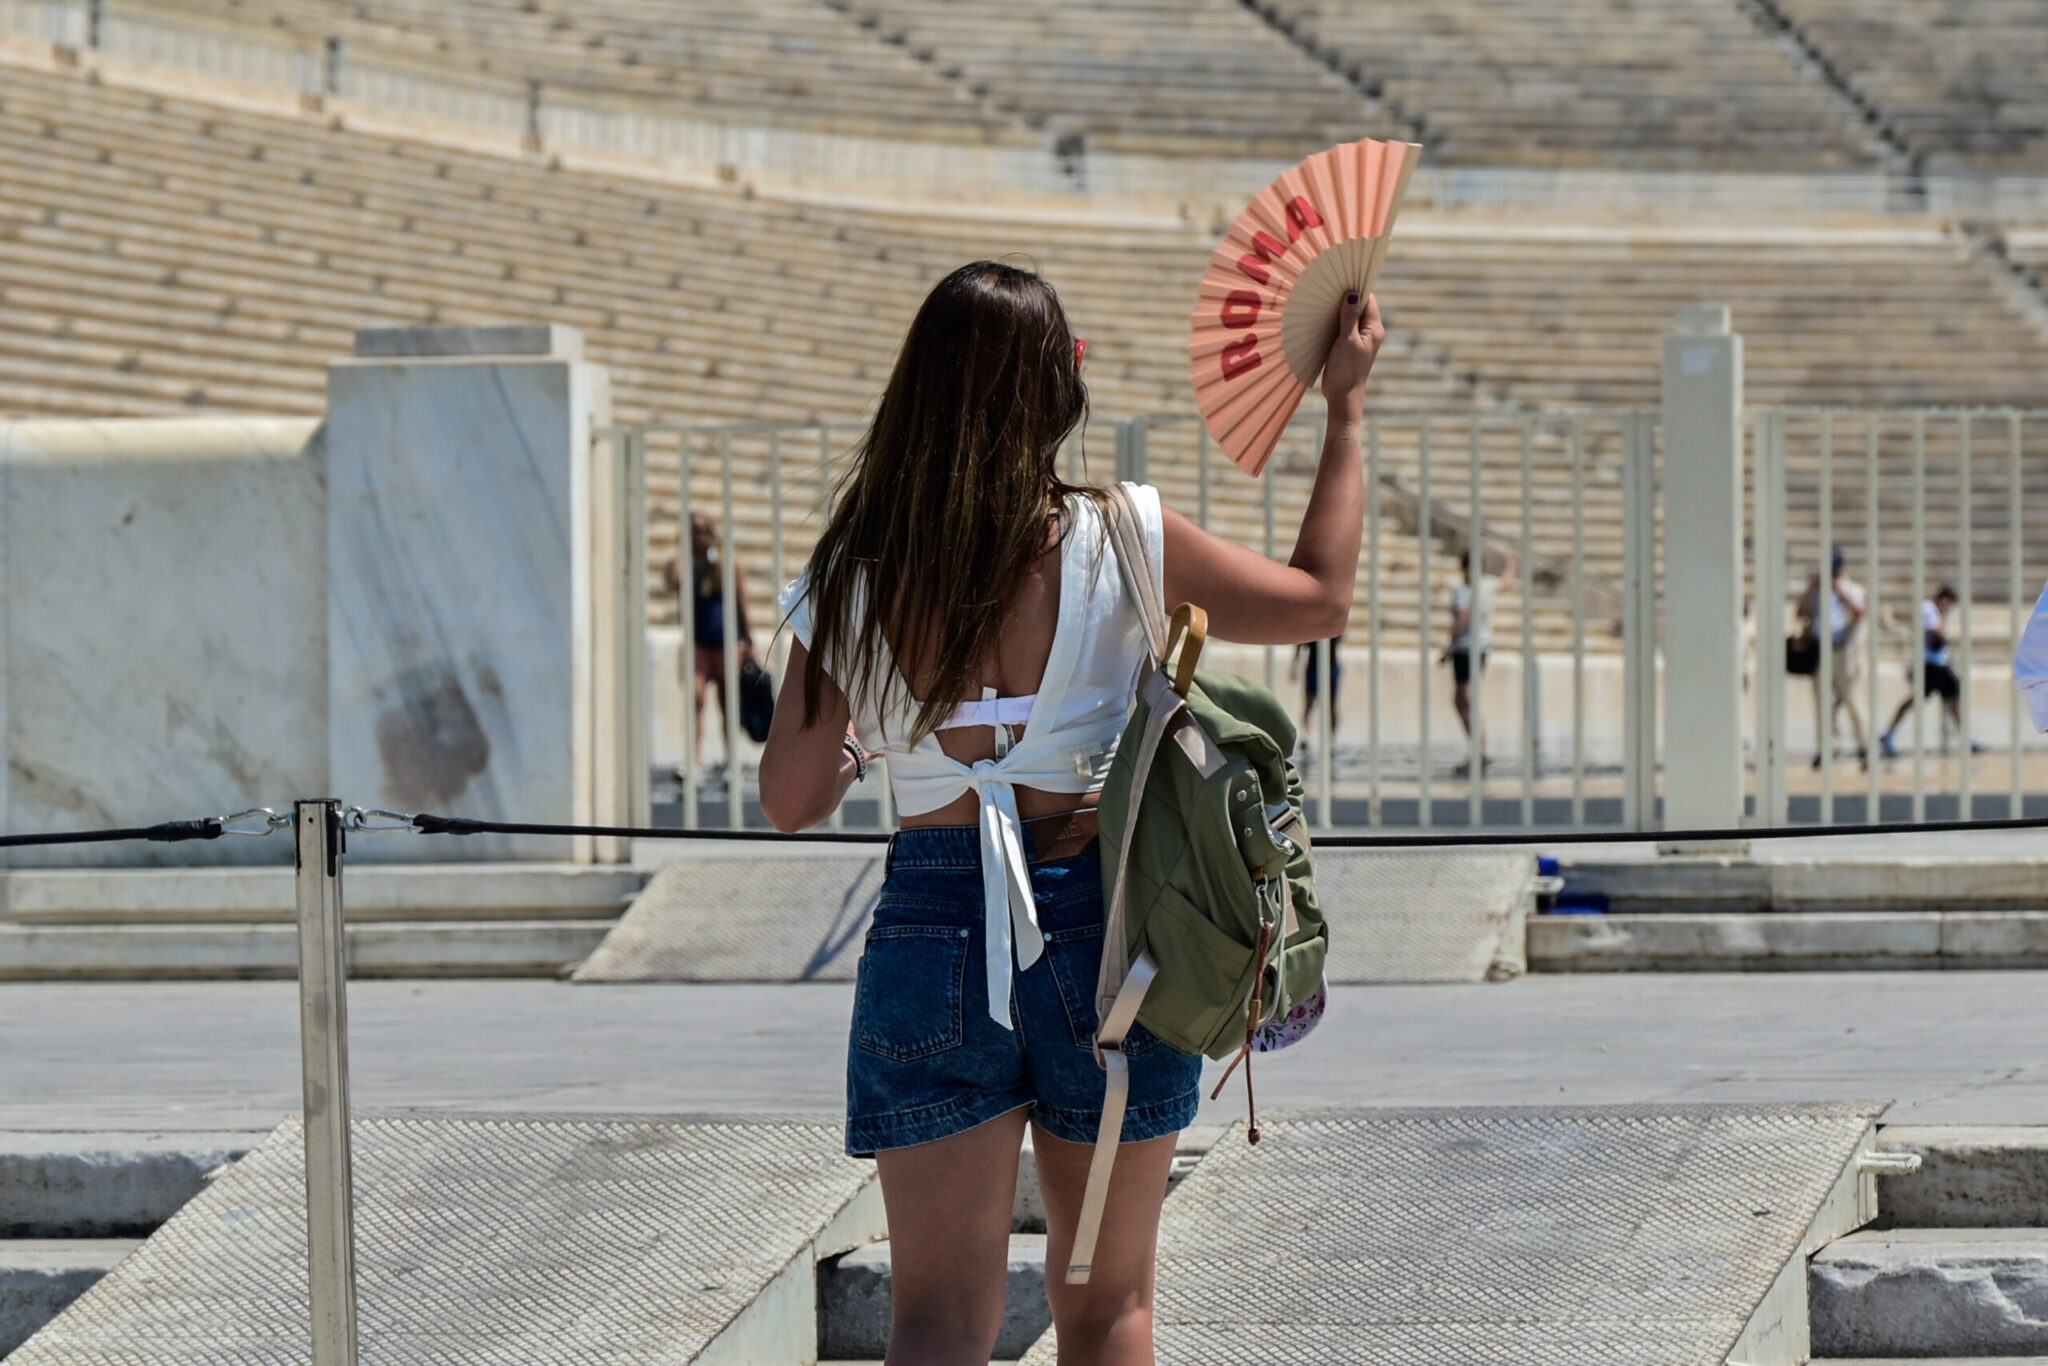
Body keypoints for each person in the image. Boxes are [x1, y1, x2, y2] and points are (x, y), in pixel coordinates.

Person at [758, 261, 1381, 1365]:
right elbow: (1319, 599)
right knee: (1106, 1306)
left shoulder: (857, 568)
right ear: (1056, 392)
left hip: (931, 925)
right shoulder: (1122, 534)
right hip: (1108, 934)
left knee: (937, 1317)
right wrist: (1345, 409)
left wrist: (873, 740)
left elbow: (789, 797)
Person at [664, 513, 754, 767]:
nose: (699, 536)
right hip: (698, 644)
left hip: (726, 642)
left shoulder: (727, 564)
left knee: (728, 705)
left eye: (704, 530)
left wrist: (749, 640)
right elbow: (671, 582)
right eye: (694, 531)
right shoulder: (685, 564)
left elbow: (742, 603)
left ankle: (730, 759)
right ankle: (694, 761)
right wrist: (683, 555)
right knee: (696, 700)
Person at [1443, 548, 1516, 776]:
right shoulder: (1486, 584)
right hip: (1480, 647)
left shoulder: (1464, 589)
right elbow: (1507, 581)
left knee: (1466, 698)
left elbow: (1462, 619)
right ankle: (1478, 748)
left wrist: (1449, 647)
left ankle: (1481, 750)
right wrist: (1510, 560)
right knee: (1462, 699)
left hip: (1467, 648)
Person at [1796, 547, 1869, 769]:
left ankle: (1864, 745)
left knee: (1851, 698)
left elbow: (1860, 612)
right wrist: (1810, 590)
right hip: (1822, 650)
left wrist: (1839, 590)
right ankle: (1826, 747)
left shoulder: (1852, 589)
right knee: (1821, 701)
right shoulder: (1817, 591)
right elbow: (1801, 613)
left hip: (1844, 651)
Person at [1881, 584, 1973, 758]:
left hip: (1939, 664)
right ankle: (1889, 733)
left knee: (1951, 697)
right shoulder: (1928, 609)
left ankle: (1964, 737)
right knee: (1922, 699)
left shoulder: (1933, 611)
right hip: (1930, 665)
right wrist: (1945, 615)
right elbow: (1938, 632)